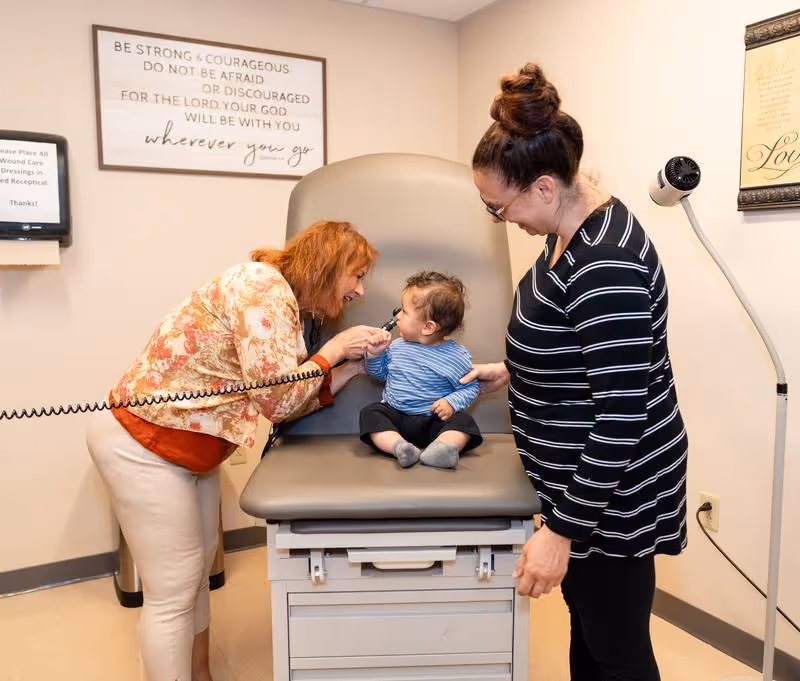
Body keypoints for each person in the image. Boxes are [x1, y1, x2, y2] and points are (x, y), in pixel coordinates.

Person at [85, 220, 390, 681]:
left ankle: (200, 674)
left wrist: (349, 368)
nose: (361, 291)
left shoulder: (280, 299)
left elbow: (287, 396)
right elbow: (277, 399)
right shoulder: (263, 288)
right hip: (142, 444)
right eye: (357, 275)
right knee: (172, 592)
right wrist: (335, 349)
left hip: (190, 454)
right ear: (329, 266)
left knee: (196, 575)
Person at [461, 63, 688, 680]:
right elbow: (578, 344)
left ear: (541, 187)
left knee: (616, 654)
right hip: (584, 489)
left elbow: (621, 413)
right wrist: (518, 369)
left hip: (610, 498)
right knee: (589, 638)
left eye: (497, 207)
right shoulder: (568, 226)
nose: (498, 219)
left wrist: (560, 532)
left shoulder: (604, 263)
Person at [360, 271, 482, 469]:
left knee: (464, 422)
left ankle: (442, 448)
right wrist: (375, 354)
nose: (396, 315)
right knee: (370, 413)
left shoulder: (457, 356)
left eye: (404, 312)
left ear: (428, 327)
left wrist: (451, 402)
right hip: (396, 416)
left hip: (433, 420)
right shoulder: (396, 346)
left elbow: (470, 388)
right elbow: (380, 374)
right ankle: (399, 447)